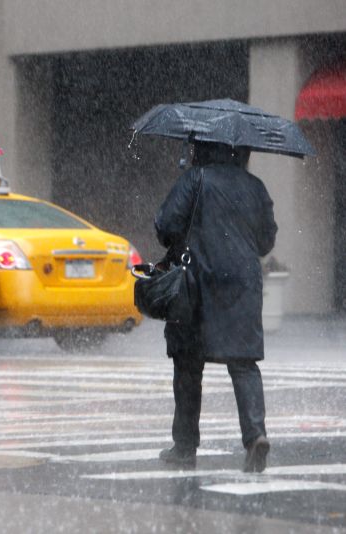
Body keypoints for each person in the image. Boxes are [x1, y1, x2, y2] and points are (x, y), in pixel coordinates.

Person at [154, 141, 278, 472]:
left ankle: (184, 446)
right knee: (243, 362)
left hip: (198, 283)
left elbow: (165, 227)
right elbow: (266, 241)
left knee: (188, 364)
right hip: (243, 284)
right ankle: (255, 436)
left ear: (203, 148)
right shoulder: (255, 186)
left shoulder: (195, 179)